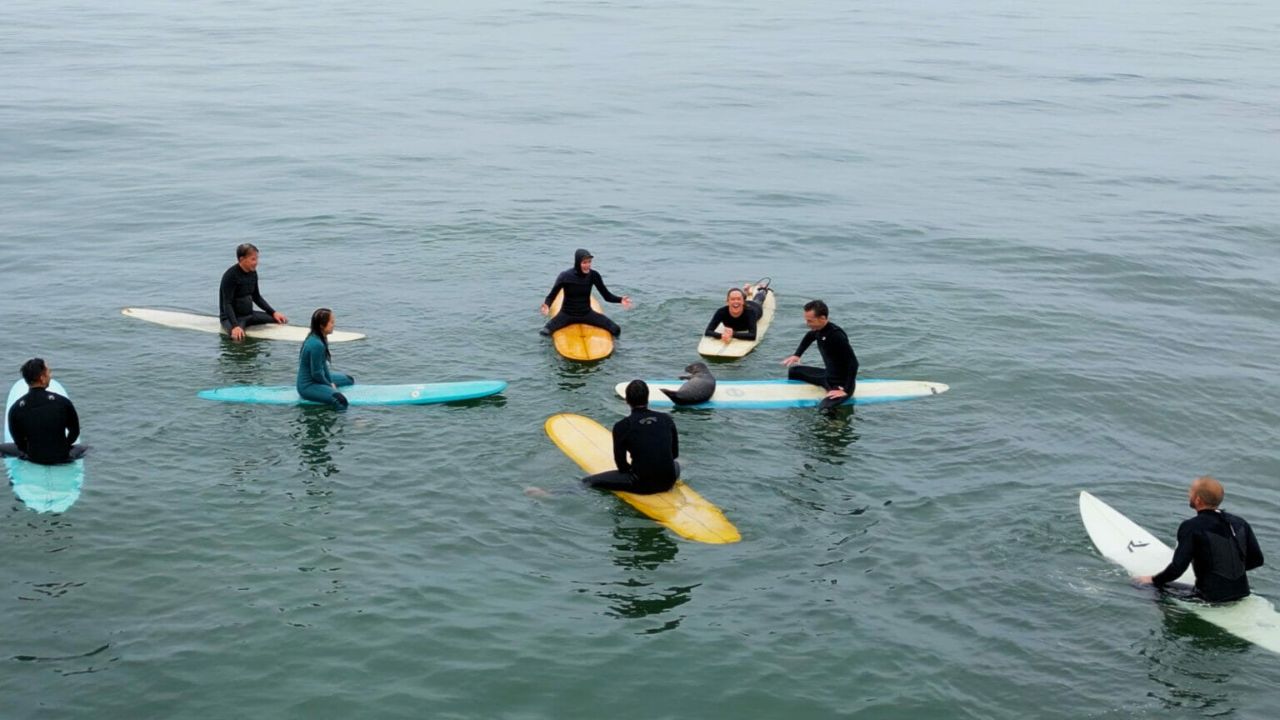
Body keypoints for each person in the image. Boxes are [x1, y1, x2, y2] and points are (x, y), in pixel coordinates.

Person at [1136, 476, 1264, 603]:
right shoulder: (1240, 523)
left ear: (1198, 500)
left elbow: (1177, 568)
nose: (1188, 494)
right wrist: (1227, 570)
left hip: (1210, 598)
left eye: (1190, 491)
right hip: (1242, 592)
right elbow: (1257, 560)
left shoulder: (1191, 526)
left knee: (1142, 586)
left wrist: (1153, 580)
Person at [582, 380, 680, 494]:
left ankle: (564, 491)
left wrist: (635, 471)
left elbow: (622, 465)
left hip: (641, 484)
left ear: (626, 400)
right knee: (677, 465)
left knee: (587, 481)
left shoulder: (622, 426)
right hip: (669, 481)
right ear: (647, 398)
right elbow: (674, 454)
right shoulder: (666, 419)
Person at [1, 358, 88, 464]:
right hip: (62, 456)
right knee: (88, 449)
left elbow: (18, 441)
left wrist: (30, 451)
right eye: (48, 372)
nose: (50, 375)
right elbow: (75, 432)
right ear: (42, 378)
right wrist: (64, 446)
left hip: (33, 457)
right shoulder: (62, 402)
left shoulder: (16, 408)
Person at [781, 299, 858, 411]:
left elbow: (854, 363)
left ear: (822, 318)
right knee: (794, 371)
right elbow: (809, 337)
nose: (807, 324)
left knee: (823, 408)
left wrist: (845, 390)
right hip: (827, 376)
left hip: (840, 384)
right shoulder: (818, 330)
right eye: (806, 321)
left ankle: (837, 424)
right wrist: (797, 355)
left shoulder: (836, 335)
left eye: (810, 321)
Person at [540, 249, 632, 337]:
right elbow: (551, 296)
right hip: (566, 314)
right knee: (544, 332)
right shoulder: (565, 276)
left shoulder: (594, 275)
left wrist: (620, 300)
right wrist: (547, 305)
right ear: (577, 263)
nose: (587, 265)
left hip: (587, 314)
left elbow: (606, 296)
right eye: (584, 262)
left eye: (589, 262)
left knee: (616, 330)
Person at [219, 243, 288, 341]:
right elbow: (227, 304)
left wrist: (273, 312)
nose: (256, 262)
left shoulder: (252, 273)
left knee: (281, 321)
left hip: (249, 315)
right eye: (253, 259)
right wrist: (235, 326)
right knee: (238, 338)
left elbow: (256, 297)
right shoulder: (230, 276)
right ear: (242, 259)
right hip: (232, 318)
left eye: (257, 259)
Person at [296, 308, 355, 409]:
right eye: (331, 322)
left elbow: (323, 365)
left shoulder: (321, 338)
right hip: (308, 386)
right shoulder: (316, 344)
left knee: (349, 380)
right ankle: (345, 421)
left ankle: (327, 386)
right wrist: (329, 385)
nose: (333, 324)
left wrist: (329, 382)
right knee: (341, 401)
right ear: (322, 326)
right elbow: (316, 374)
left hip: (317, 378)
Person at [704, 283, 770, 344]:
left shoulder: (750, 312)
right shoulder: (721, 312)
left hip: (755, 307)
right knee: (737, 303)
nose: (735, 301)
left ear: (743, 302)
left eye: (738, 299)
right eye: (732, 299)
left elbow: (752, 336)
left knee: (758, 299)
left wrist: (732, 334)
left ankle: (763, 289)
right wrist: (722, 335)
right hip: (742, 304)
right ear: (727, 302)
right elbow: (708, 332)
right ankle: (746, 292)